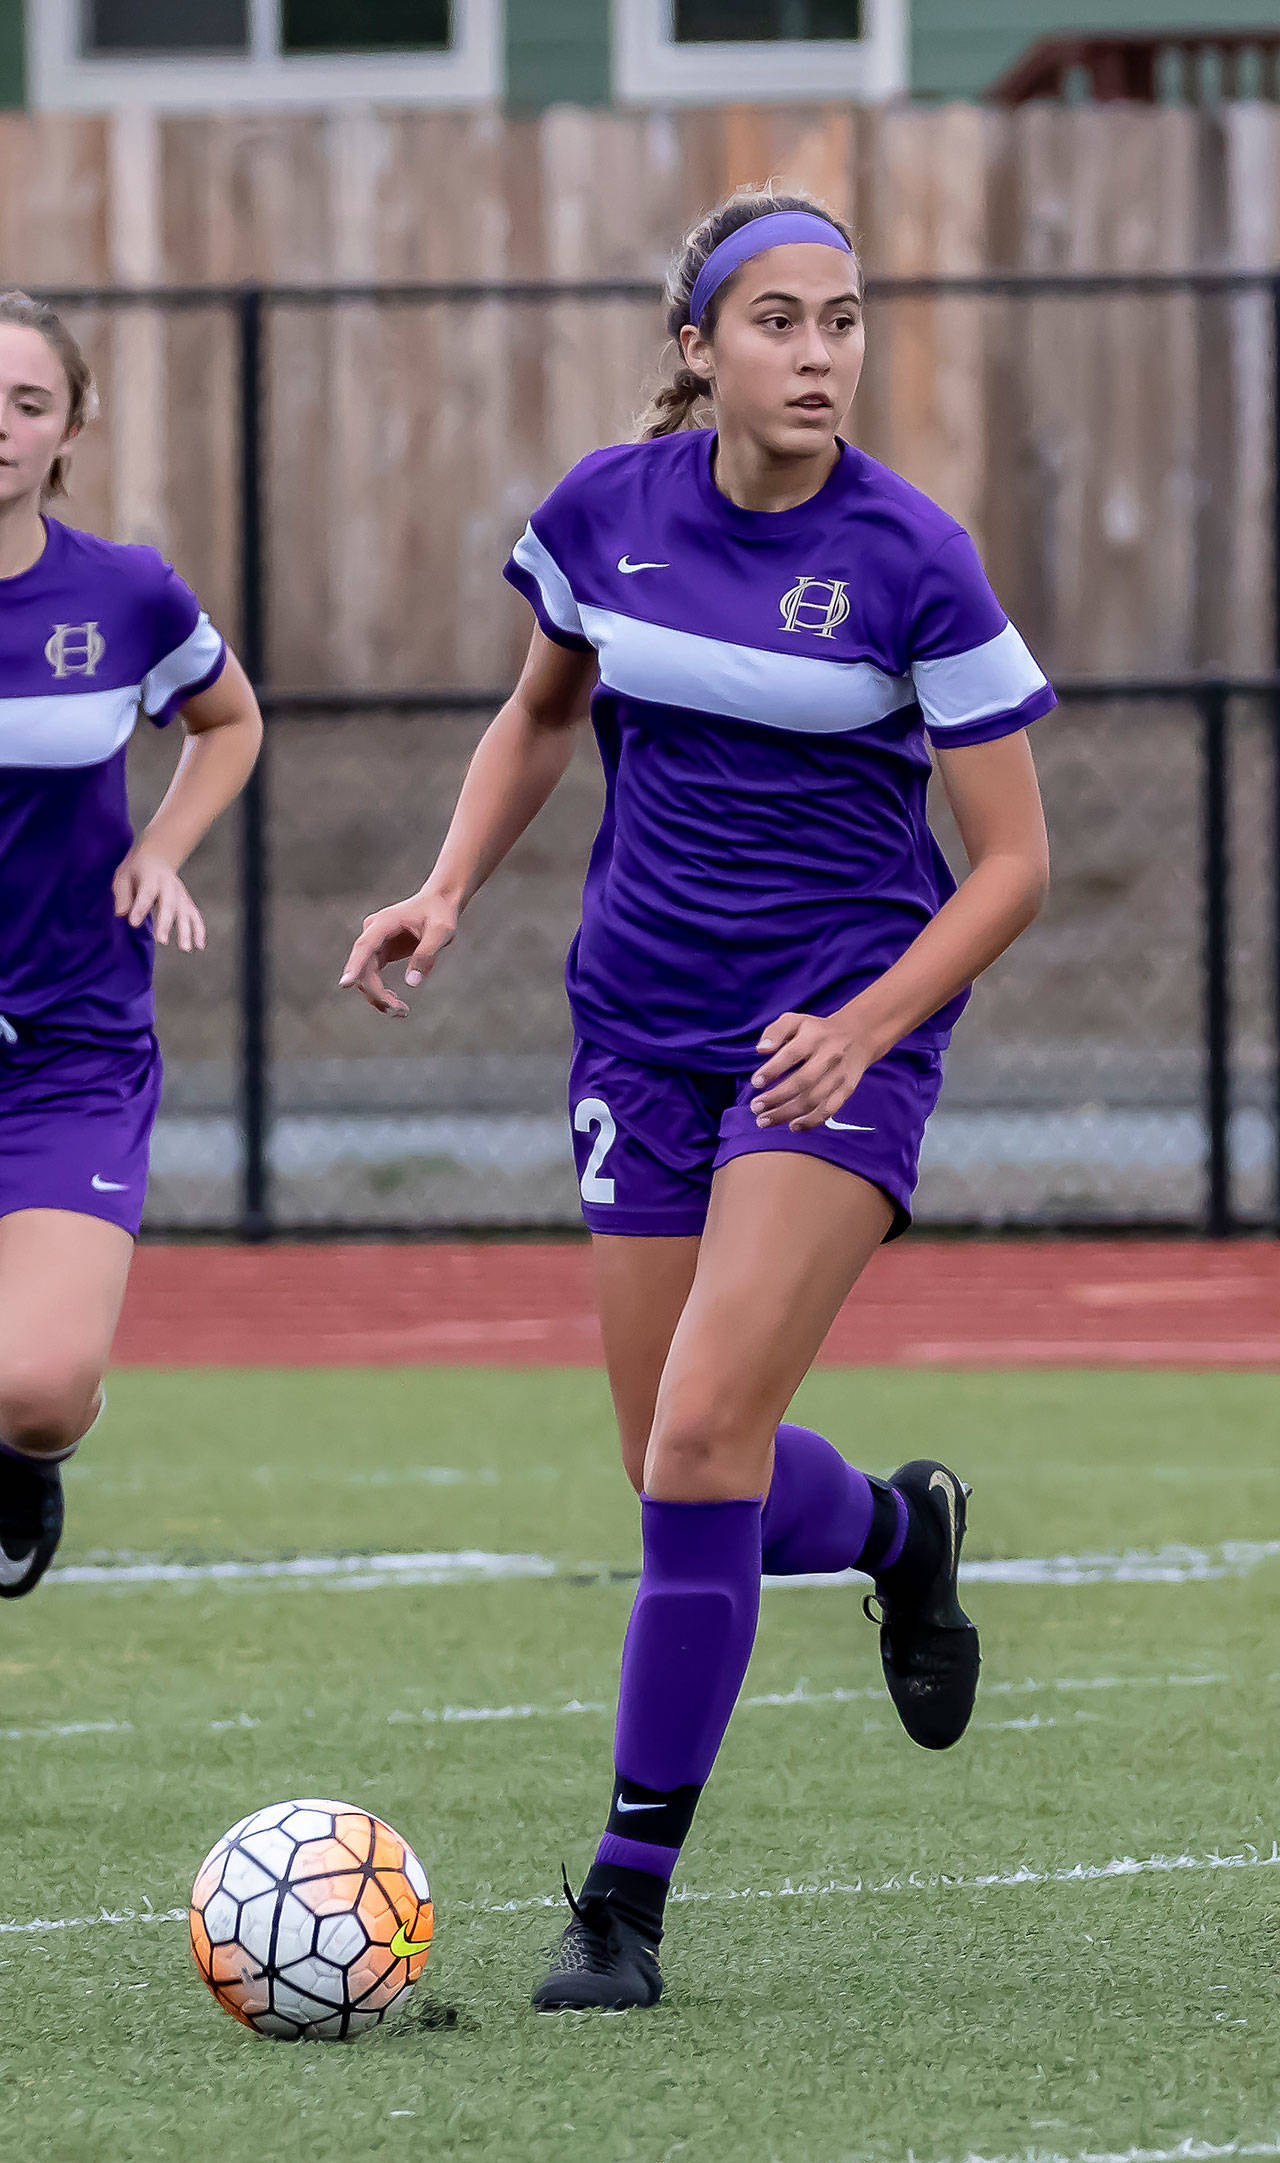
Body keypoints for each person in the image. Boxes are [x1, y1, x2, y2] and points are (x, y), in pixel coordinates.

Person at [340, 185, 1053, 2012]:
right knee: (677, 1461)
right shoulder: (604, 513)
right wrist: (442, 888)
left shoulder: (916, 557)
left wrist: (871, 1026)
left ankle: (623, 1902)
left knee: (702, 1445)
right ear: (698, 346)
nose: (822, 356)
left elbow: (1012, 866)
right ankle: (902, 1531)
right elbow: (543, 714)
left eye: (845, 321)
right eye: (781, 323)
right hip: (634, 1035)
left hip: (829, 1048)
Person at [0, 291, 262, 1596]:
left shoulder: (119, 594)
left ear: (71, 429)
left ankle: (25, 1455)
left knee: (40, 1393)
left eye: (27, 403)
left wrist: (158, 849)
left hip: (67, 1045)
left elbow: (228, 722)